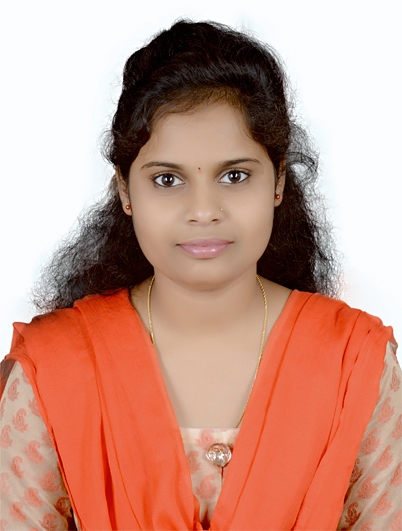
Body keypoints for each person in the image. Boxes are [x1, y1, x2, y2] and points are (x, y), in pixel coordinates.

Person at [0, 19, 401, 531]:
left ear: (278, 180)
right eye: (168, 180)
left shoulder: (355, 362)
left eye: (235, 176)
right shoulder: (52, 368)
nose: (204, 210)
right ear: (125, 190)